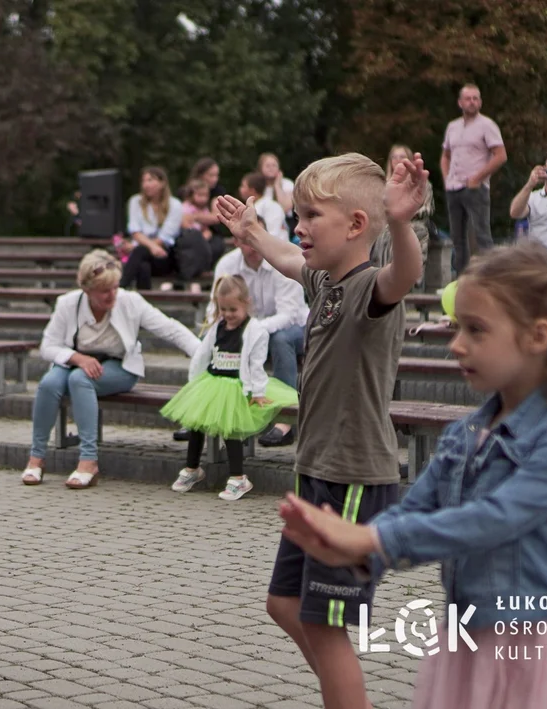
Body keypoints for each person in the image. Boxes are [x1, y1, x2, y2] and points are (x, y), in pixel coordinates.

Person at [279, 243, 547, 709]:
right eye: (457, 328)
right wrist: (348, 547)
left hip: (534, 649)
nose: (456, 344)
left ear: (538, 336)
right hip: (466, 639)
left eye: (475, 330)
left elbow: (490, 520)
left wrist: (369, 543)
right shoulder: (464, 432)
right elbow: (416, 509)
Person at [215, 150, 427, 709]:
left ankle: (345, 694)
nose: (300, 227)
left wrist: (401, 221)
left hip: (354, 477)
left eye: (311, 217)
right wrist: (252, 231)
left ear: (356, 225)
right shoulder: (326, 283)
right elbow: (287, 258)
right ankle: (348, 693)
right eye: (299, 215)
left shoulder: (367, 289)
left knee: (326, 627)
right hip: (317, 472)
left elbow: (404, 275)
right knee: (284, 604)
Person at [22, 250, 200, 488]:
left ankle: (88, 461)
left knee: (79, 380)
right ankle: (37, 458)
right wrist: (77, 357)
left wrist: (203, 354)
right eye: (105, 290)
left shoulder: (130, 301)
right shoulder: (67, 303)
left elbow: (170, 329)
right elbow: (48, 346)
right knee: (48, 384)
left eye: (115, 287)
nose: (112, 294)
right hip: (76, 361)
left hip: (119, 366)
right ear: (87, 290)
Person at [162, 275, 298, 500]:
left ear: (247, 303)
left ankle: (238, 478)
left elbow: (256, 365)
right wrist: (193, 383)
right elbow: (202, 356)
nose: (227, 314)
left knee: (232, 429)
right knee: (196, 425)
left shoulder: (255, 331)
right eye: (223, 309)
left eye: (233, 309)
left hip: (238, 385)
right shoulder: (217, 327)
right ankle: (192, 469)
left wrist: (258, 392)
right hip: (213, 382)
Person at [210, 233, 308, 448]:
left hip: (295, 328)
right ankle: (209, 418)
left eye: (256, 236)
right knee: (214, 339)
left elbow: (288, 314)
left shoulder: (280, 261)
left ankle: (285, 420)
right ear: (235, 242)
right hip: (248, 328)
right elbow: (215, 307)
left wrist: (251, 331)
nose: (253, 245)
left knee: (280, 340)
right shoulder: (227, 264)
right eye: (246, 239)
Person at [441, 83, 508, 274]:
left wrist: (478, 177)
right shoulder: (452, 127)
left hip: (475, 188)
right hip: (454, 188)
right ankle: (462, 281)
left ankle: (490, 279)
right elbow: (445, 155)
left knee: (481, 236)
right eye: (468, 99)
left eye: (475, 98)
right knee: (458, 239)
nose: (472, 102)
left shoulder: (487, 125)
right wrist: (446, 178)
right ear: (460, 102)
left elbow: (501, 155)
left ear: (480, 102)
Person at [118, 167, 208, 292]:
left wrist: (144, 247)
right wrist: (150, 247)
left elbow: (165, 237)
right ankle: (142, 302)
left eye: (150, 180)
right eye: (144, 181)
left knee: (140, 252)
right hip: (141, 253)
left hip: (164, 254)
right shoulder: (135, 201)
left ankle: (120, 289)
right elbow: (135, 231)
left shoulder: (174, 205)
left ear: (162, 183)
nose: (146, 185)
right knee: (143, 266)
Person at [371, 144, 434, 269]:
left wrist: (404, 214)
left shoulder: (422, 183)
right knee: (380, 232)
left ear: (410, 159)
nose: (398, 160)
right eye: (394, 157)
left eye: (402, 157)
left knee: (416, 231)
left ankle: (411, 276)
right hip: (387, 224)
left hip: (415, 222)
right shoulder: (384, 184)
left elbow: (428, 208)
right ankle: (382, 272)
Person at [180, 179, 225, 266]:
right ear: (190, 195)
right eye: (200, 195)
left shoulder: (204, 209)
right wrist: (200, 235)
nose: (203, 199)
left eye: (205, 195)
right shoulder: (186, 208)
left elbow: (206, 224)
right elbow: (185, 225)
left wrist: (205, 231)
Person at [238, 172, 289, 242]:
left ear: (252, 191)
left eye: (243, 186)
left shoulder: (268, 206)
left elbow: (273, 235)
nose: (240, 189)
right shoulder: (263, 205)